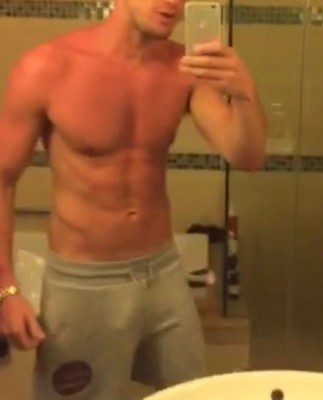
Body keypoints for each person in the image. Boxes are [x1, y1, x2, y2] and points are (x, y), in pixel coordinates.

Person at [0, 0, 267, 398]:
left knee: (192, 394)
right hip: (84, 285)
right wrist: (6, 291)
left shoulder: (185, 68)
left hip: (162, 274)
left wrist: (243, 94)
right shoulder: (47, 67)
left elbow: (247, 156)